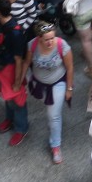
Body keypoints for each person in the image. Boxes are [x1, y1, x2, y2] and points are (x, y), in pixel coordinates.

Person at [25, 20, 75, 164]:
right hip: (39, 84)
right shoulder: (32, 45)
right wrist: (20, 80)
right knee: (51, 112)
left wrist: (69, 88)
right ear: (39, 38)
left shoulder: (62, 46)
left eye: (52, 38)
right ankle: (55, 124)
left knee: (53, 116)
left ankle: (55, 146)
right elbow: (27, 62)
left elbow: (70, 67)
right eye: (46, 39)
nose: (50, 42)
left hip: (58, 83)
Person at [0, 0, 30, 147]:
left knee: (17, 100)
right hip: (3, 68)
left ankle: (21, 128)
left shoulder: (15, 33)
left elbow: (19, 59)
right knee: (8, 97)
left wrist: (18, 82)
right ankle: (10, 118)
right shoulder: (1, 24)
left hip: (12, 70)